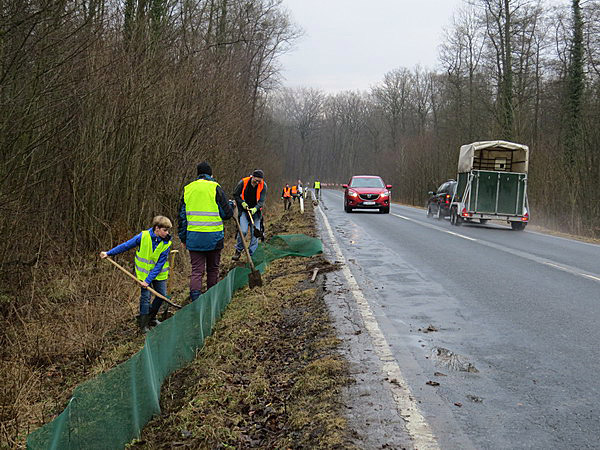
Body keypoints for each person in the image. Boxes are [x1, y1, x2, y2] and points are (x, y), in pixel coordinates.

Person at [100, 216, 173, 332]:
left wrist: (148, 281)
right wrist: (109, 253)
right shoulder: (143, 236)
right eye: (165, 230)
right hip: (144, 274)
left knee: (161, 295)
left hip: (159, 274)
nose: (167, 233)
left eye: (168, 230)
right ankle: (143, 325)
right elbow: (126, 245)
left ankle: (151, 318)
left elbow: (159, 264)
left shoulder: (166, 243)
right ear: (157, 228)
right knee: (145, 298)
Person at [178, 161, 234, 303]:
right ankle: (212, 300)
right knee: (213, 269)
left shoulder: (188, 189)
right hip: (214, 238)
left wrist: (183, 238)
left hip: (194, 237)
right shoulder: (215, 188)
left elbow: (182, 217)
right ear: (211, 174)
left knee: (196, 271)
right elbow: (227, 214)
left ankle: (196, 302)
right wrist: (231, 206)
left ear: (198, 174)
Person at [232, 169, 267, 260]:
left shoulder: (263, 186)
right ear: (252, 177)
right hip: (244, 210)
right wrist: (242, 203)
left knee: (255, 233)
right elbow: (235, 194)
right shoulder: (243, 182)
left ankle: (252, 255)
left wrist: (255, 208)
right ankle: (238, 250)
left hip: (256, 212)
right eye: (256, 180)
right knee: (243, 231)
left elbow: (262, 201)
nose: (258, 182)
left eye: (260, 180)